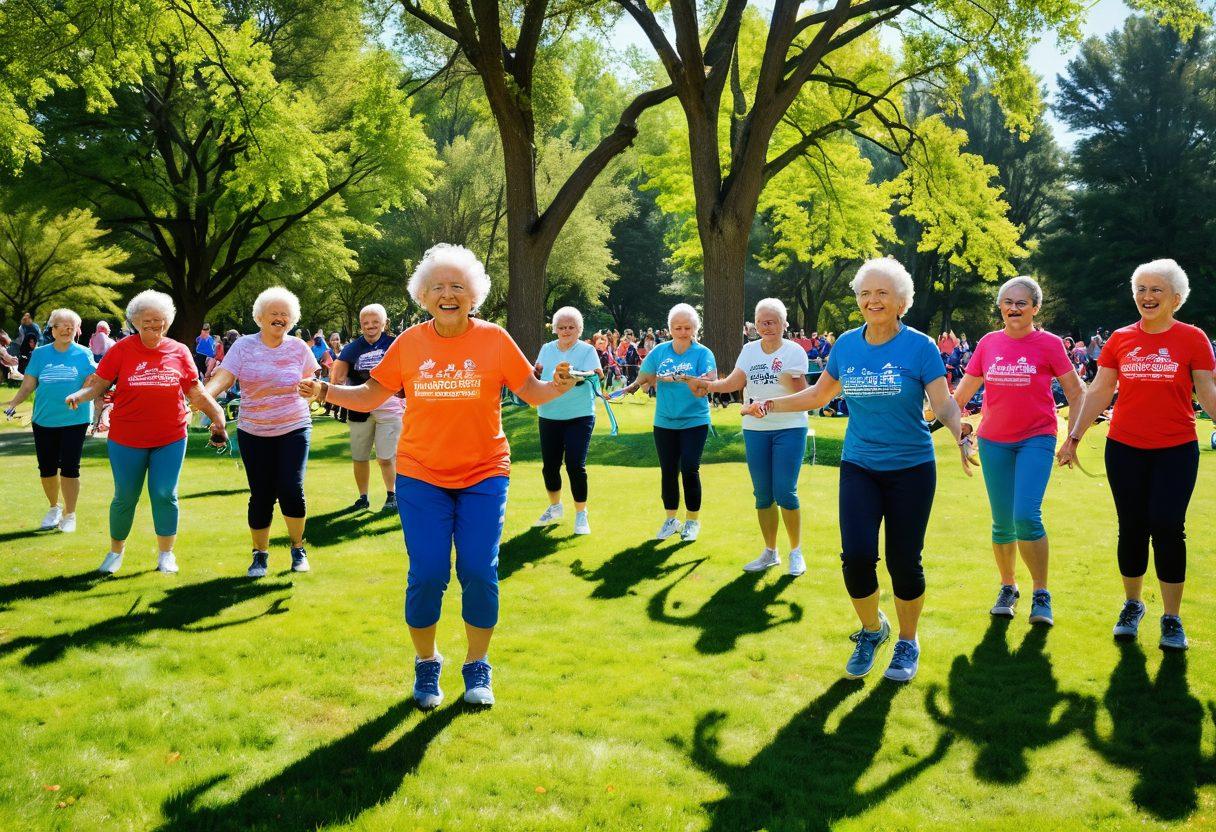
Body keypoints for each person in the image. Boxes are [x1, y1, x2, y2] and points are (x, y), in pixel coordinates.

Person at [299, 243, 575, 708]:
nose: (449, 294)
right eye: (438, 288)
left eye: (458, 287)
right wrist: (326, 388)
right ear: (423, 297)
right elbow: (369, 396)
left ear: (475, 295)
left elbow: (532, 391)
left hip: (485, 473)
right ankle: (427, 665)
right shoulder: (409, 343)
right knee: (427, 574)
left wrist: (558, 387)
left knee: (479, 572)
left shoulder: (494, 338)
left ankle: (477, 666)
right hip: (421, 474)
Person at [742, 258, 971, 683]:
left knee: (905, 562)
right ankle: (872, 629)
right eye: (865, 293)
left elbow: (942, 404)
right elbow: (816, 395)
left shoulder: (920, 347)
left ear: (901, 301)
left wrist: (960, 433)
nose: (872, 300)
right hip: (859, 466)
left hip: (911, 468)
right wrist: (769, 403)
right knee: (858, 557)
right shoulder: (846, 345)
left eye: (882, 293)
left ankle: (907, 639)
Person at [1057, 259, 1216, 651]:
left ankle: (1172, 618)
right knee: (1131, 527)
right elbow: (1098, 391)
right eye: (1141, 289)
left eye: (1156, 290)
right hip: (1125, 448)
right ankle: (1133, 605)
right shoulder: (1120, 339)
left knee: (1167, 527)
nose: (1147, 296)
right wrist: (1074, 435)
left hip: (1176, 450)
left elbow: (1208, 390)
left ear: (1176, 298)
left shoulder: (1193, 339)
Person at [951, 276, 1084, 627]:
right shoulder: (989, 343)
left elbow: (1076, 392)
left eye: (1021, 303)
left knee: (1026, 515)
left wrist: (1073, 438)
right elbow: (961, 396)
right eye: (1007, 302)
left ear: (1035, 308)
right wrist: (956, 429)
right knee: (1001, 523)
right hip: (994, 440)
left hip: (1036, 438)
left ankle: (1041, 592)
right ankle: (1008, 587)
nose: (1013, 308)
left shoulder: (1050, 344)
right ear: (1000, 307)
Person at [65, 290, 228, 575]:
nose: (154, 326)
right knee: (125, 496)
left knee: (165, 493)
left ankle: (166, 554)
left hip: (171, 435)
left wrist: (218, 415)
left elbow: (196, 391)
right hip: (127, 437)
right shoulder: (121, 350)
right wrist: (80, 395)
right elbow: (99, 384)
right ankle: (115, 552)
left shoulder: (179, 351)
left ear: (168, 321)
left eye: (160, 321)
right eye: (147, 322)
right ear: (135, 322)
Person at [685, 298, 809, 575]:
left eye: (773, 321)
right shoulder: (749, 350)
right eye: (762, 321)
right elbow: (733, 383)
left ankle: (796, 552)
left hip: (789, 427)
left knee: (785, 491)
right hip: (755, 430)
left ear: (784, 324)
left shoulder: (794, 352)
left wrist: (778, 396)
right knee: (763, 494)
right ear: (755, 325)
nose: (767, 326)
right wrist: (707, 385)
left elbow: (805, 395)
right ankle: (770, 552)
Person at [205, 287, 319, 578]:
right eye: (274, 314)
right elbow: (225, 376)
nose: (279, 319)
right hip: (254, 429)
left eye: (284, 315)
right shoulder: (243, 346)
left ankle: (297, 548)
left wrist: (312, 389)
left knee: (291, 488)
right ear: (260, 317)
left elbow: (312, 382)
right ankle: (260, 554)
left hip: (293, 425)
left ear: (291, 320)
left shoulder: (298, 348)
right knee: (262, 495)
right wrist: (206, 397)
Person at [611, 303, 717, 541]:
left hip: (694, 420)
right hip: (665, 421)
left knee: (690, 468)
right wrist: (628, 388)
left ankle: (692, 522)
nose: (682, 332)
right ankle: (671, 520)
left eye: (687, 327)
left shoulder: (703, 353)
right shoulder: (659, 351)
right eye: (677, 327)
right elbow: (644, 376)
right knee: (668, 471)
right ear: (670, 329)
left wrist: (683, 378)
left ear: (694, 328)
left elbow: (710, 380)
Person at [4, 309, 97, 533]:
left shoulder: (84, 354)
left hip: (75, 418)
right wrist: (14, 403)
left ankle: (70, 513)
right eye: (60, 325)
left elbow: (94, 382)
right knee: (46, 468)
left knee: (69, 467)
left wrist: (87, 391)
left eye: (70, 325)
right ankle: (54, 508)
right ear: (51, 329)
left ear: (77, 330)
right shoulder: (40, 354)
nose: (66, 329)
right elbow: (28, 384)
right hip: (44, 419)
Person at [533, 306, 602, 535]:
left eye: (571, 327)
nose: (566, 331)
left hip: (579, 415)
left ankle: (581, 514)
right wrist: (534, 372)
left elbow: (596, 374)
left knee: (575, 465)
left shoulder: (587, 350)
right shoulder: (546, 349)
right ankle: (555, 508)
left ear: (579, 329)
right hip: (549, 414)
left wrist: (580, 376)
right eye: (562, 327)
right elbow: (538, 373)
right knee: (550, 467)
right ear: (555, 329)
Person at [332, 304, 404, 512]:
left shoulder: (395, 344)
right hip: (359, 409)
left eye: (375, 322)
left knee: (386, 456)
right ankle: (362, 497)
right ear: (361, 326)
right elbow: (338, 375)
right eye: (366, 323)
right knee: (360, 456)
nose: (370, 326)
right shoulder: (352, 348)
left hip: (389, 408)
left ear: (384, 323)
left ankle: (392, 495)